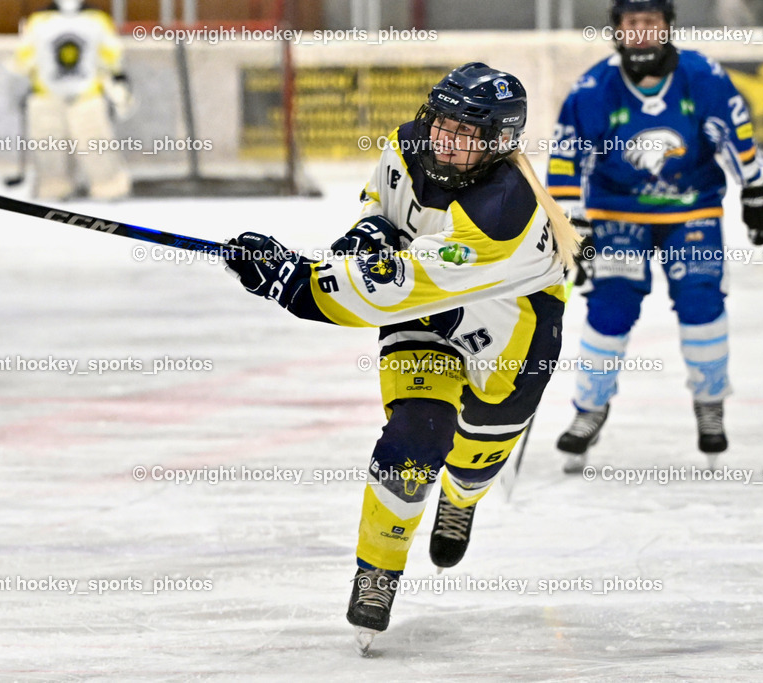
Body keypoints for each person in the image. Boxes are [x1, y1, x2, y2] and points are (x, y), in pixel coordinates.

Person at [223, 62, 580, 654]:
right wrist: (364, 236)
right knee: (415, 443)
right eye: (443, 124)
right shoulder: (407, 146)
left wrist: (287, 281)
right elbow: (381, 214)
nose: (447, 141)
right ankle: (377, 571)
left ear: (499, 145)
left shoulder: (500, 215)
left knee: (470, 464)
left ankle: (463, 499)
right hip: (425, 317)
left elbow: (383, 289)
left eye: (467, 136)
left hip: (511, 342)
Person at [547, 0, 763, 473]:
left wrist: (758, 188)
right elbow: (566, 160)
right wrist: (573, 225)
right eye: (631, 25)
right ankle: (590, 408)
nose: (641, 34)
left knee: (701, 302)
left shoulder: (703, 77)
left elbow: (735, 134)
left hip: (691, 209)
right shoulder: (594, 88)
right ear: (617, 31)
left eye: (650, 23)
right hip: (617, 213)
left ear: (668, 28)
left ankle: (710, 402)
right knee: (610, 307)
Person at [14, 0, 133, 200]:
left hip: (87, 96)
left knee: (95, 144)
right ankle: (53, 187)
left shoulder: (97, 19)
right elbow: (24, 58)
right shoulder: (38, 21)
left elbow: (112, 56)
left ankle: (109, 187)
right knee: (49, 146)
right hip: (46, 95)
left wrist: (117, 82)